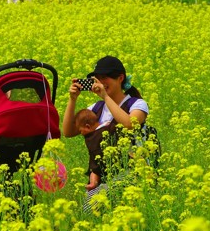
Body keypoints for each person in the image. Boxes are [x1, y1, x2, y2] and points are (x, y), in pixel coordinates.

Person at [61, 56, 149, 201]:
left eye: (105, 77)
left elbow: (129, 124)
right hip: (104, 177)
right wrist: (72, 99)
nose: (101, 82)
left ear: (120, 78)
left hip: (134, 173)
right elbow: (69, 132)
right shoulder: (95, 109)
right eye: (97, 78)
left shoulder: (137, 104)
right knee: (88, 210)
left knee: (95, 206)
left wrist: (105, 97)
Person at [75, 108, 102, 190]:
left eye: (80, 131)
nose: (81, 134)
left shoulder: (93, 138)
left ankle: (93, 183)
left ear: (87, 126)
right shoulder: (108, 126)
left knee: (94, 169)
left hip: (100, 163)